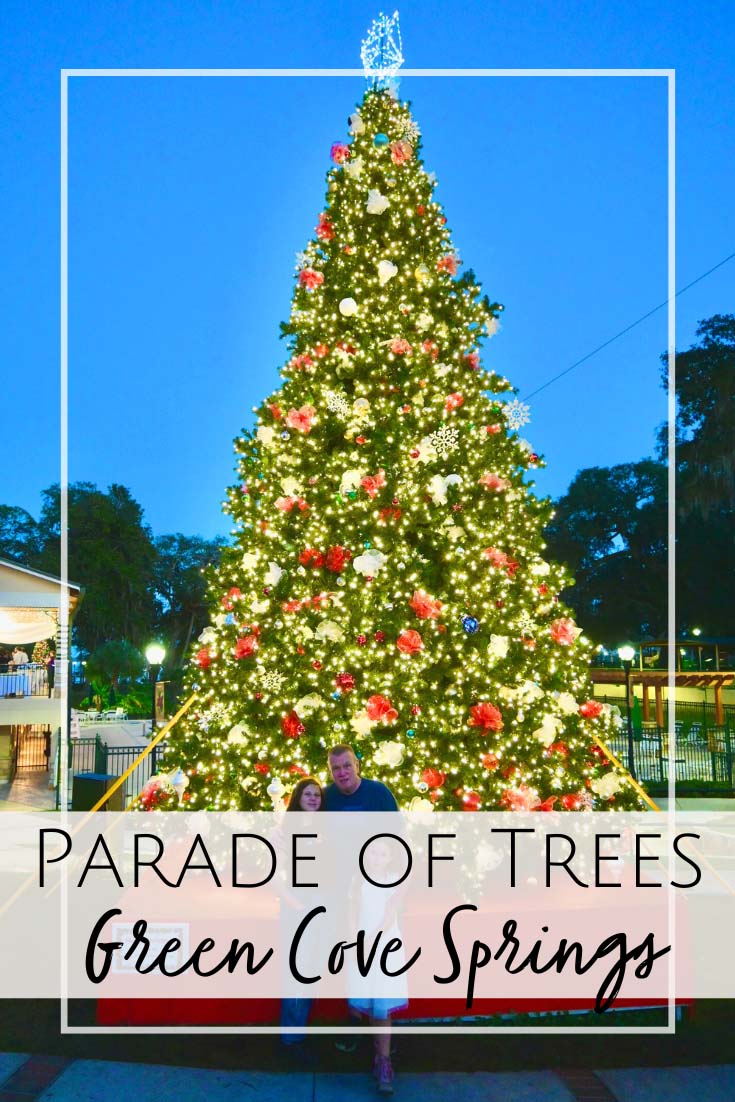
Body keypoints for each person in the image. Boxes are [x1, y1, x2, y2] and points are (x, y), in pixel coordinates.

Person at [347, 837, 408, 1095]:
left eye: (383, 854)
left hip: (384, 947)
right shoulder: (358, 880)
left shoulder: (395, 879)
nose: (377, 858)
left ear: (390, 858)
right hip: (362, 945)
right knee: (370, 1004)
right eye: (373, 853)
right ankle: (376, 1053)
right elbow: (352, 912)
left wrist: (371, 941)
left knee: (382, 1005)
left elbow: (389, 914)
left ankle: (384, 1062)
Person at [279, 776, 323, 1066]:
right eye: (307, 794)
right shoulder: (284, 832)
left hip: (322, 905)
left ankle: (301, 1031)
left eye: (317, 795)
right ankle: (291, 1039)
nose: (313, 798)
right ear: (297, 798)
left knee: (310, 969)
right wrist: (294, 904)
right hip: (297, 907)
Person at [324, 744, 398, 812]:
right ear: (330, 772)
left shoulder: (380, 792)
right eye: (336, 768)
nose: (342, 773)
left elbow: (396, 825)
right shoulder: (323, 797)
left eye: (347, 766)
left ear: (356, 766)